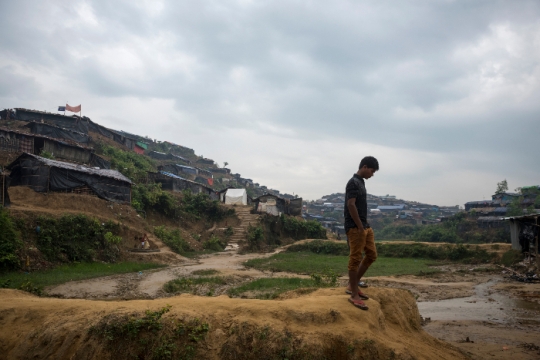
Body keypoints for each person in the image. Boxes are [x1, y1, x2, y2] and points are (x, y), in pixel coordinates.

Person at [344, 156, 379, 310]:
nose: (372, 174)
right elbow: (351, 205)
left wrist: (364, 225)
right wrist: (359, 226)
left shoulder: (361, 182)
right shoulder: (353, 183)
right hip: (355, 227)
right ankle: (354, 295)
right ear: (364, 167)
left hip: (364, 226)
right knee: (355, 258)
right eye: (372, 171)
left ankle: (353, 286)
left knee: (371, 255)